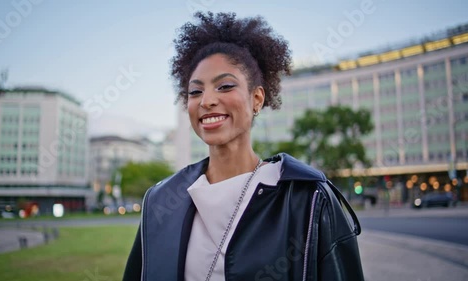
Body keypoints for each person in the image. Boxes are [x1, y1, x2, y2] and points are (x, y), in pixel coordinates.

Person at [123, 11, 364, 281]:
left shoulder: (309, 198)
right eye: (195, 91)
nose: (207, 101)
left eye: (225, 86)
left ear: (257, 99)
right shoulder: (160, 200)